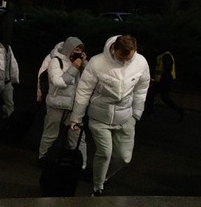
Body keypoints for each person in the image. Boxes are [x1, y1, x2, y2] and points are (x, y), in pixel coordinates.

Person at [69, 35, 150, 196]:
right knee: (105, 153)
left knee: (124, 157)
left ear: (135, 50)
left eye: (129, 58)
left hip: (126, 117)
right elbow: (84, 90)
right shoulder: (97, 62)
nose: (124, 61)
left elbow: (141, 88)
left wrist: (136, 113)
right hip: (99, 116)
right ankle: (97, 187)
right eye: (121, 57)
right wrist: (76, 117)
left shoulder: (141, 62)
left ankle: (104, 176)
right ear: (114, 50)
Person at [38, 37, 88, 167]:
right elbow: (59, 82)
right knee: (50, 134)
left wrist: (84, 65)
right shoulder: (56, 61)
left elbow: (88, 82)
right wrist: (74, 67)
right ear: (68, 49)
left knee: (76, 136)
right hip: (56, 104)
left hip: (73, 107)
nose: (78, 52)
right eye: (75, 49)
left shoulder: (81, 63)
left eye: (80, 49)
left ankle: (80, 165)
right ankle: (43, 158)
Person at [144, 48, 184, 121]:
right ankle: (148, 112)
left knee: (162, 98)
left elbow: (167, 70)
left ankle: (180, 111)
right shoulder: (162, 56)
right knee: (153, 96)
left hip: (163, 81)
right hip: (161, 81)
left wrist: (160, 81)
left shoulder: (166, 56)